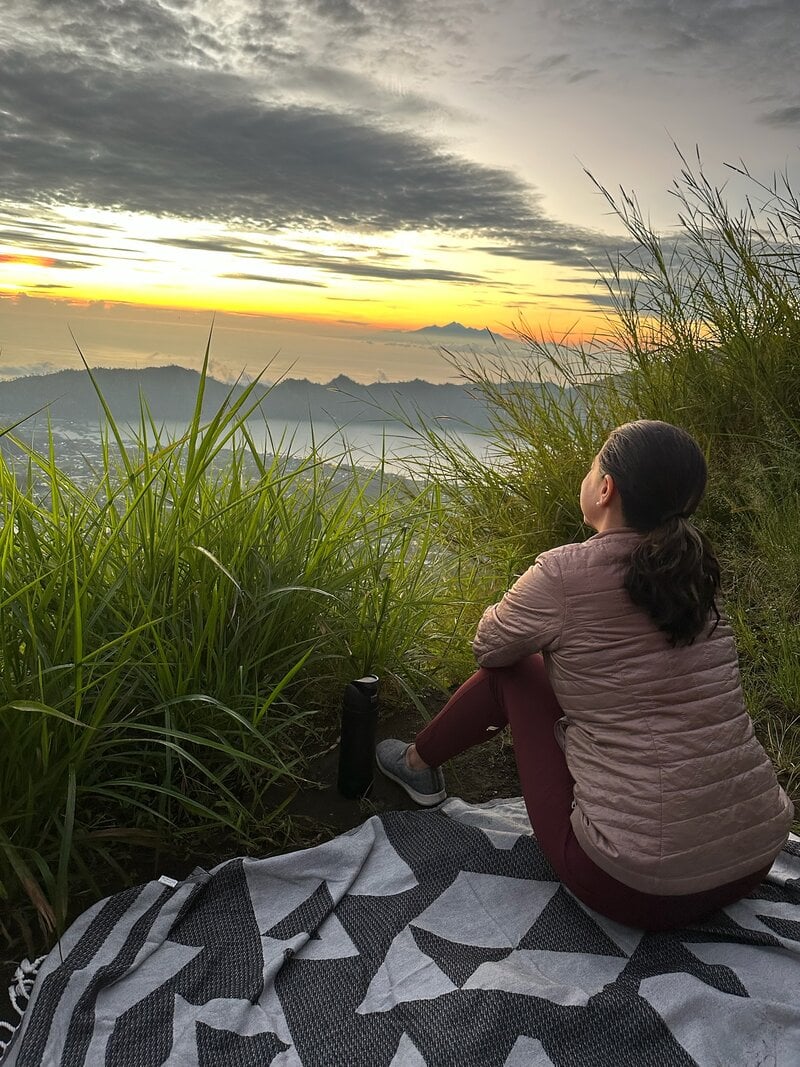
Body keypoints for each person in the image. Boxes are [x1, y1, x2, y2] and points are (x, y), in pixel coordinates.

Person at [376, 420, 794, 931]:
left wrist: (528, 617)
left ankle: (418, 764)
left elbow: (489, 647)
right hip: (752, 857)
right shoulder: (698, 575)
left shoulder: (562, 574)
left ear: (606, 487)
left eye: (593, 466)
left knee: (514, 671)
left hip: (635, 886)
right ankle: (421, 763)